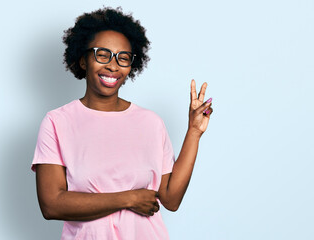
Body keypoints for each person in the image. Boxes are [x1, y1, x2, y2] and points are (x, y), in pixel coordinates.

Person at [31, 7, 213, 240]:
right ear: (83, 60)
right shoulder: (57, 122)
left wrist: (194, 132)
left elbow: (171, 199)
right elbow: (51, 205)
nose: (113, 65)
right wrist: (128, 198)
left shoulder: (151, 123)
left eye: (123, 58)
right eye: (102, 54)